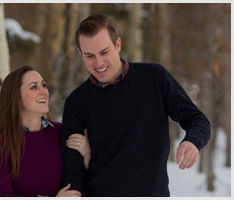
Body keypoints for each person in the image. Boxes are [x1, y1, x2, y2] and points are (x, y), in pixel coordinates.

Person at [60, 15, 211, 197]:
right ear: (80, 53)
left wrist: (193, 141)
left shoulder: (154, 77)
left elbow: (197, 119)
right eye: (90, 56)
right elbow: (72, 167)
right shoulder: (77, 101)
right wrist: (73, 191)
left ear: (118, 45)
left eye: (104, 52)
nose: (98, 63)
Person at [0, 65, 90, 197]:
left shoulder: (60, 132)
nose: (44, 91)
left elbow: (81, 181)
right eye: (34, 87)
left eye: (43, 85)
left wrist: (87, 156)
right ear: (16, 97)